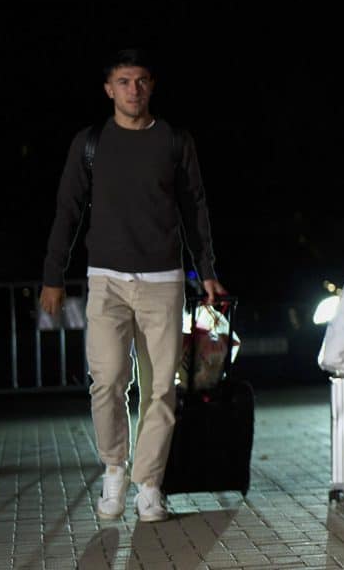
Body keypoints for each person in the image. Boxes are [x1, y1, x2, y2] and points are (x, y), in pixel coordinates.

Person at [40, 48, 226, 522]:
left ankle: (149, 485)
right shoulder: (91, 142)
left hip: (163, 281)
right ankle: (114, 470)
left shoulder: (173, 140)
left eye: (141, 81)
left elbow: (195, 207)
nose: (133, 90)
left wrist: (206, 270)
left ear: (152, 86)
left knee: (160, 388)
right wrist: (52, 277)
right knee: (106, 382)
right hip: (106, 281)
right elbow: (67, 211)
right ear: (109, 89)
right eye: (123, 81)